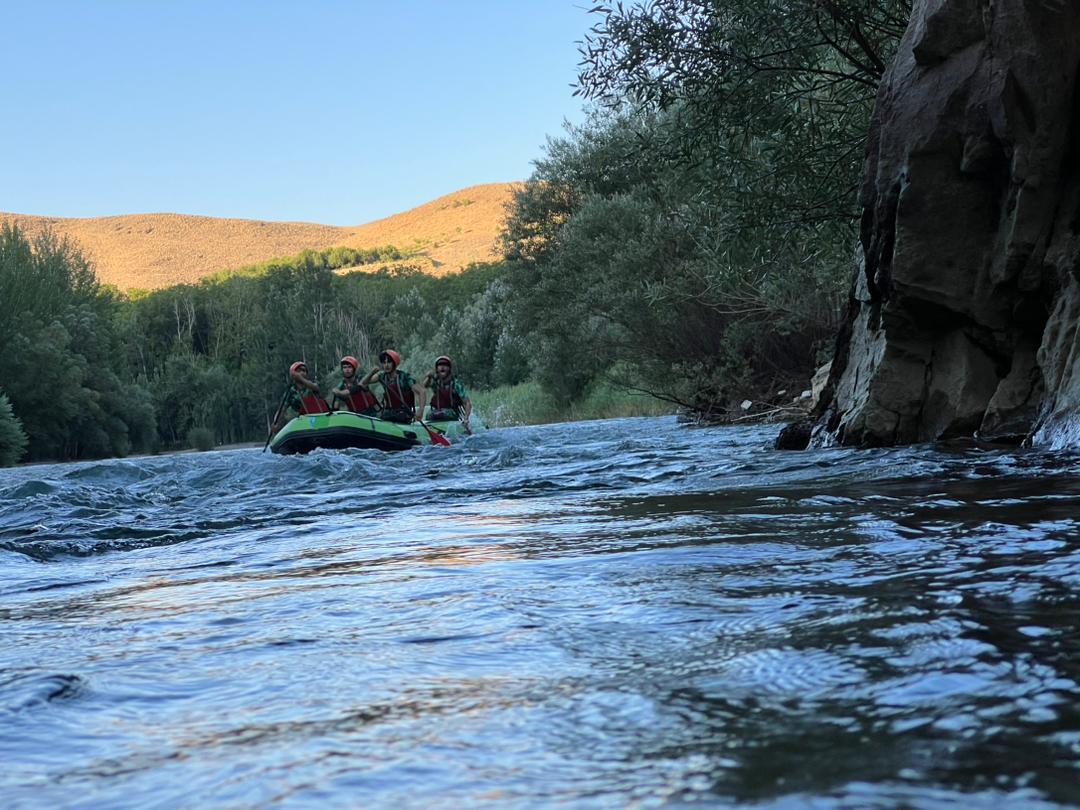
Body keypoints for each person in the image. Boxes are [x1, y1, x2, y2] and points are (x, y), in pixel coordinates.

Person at [360, 349, 427, 423]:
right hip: (389, 412)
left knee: (397, 417)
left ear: (394, 363)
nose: (386, 365)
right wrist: (372, 373)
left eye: (389, 362)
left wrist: (420, 410)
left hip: (404, 413)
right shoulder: (381, 376)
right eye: (384, 362)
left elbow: (422, 391)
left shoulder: (404, 377)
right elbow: (363, 383)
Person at [271, 361, 329, 433]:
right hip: (305, 421)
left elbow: (316, 387)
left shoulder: (311, 385)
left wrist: (301, 378)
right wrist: (276, 423)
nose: (302, 373)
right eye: (299, 371)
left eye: (304, 371)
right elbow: (281, 410)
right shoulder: (290, 392)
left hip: (321, 417)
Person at [423, 355, 472, 433]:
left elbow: (467, 403)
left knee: (439, 414)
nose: (442, 367)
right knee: (429, 415)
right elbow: (425, 385)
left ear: (449, 368)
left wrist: (466, 419)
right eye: (439, 365)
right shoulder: (436, 381)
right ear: (436, 369)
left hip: (451, 412)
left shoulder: (456, 384)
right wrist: (428, 377)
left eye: (445, 365)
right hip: (436, 411)